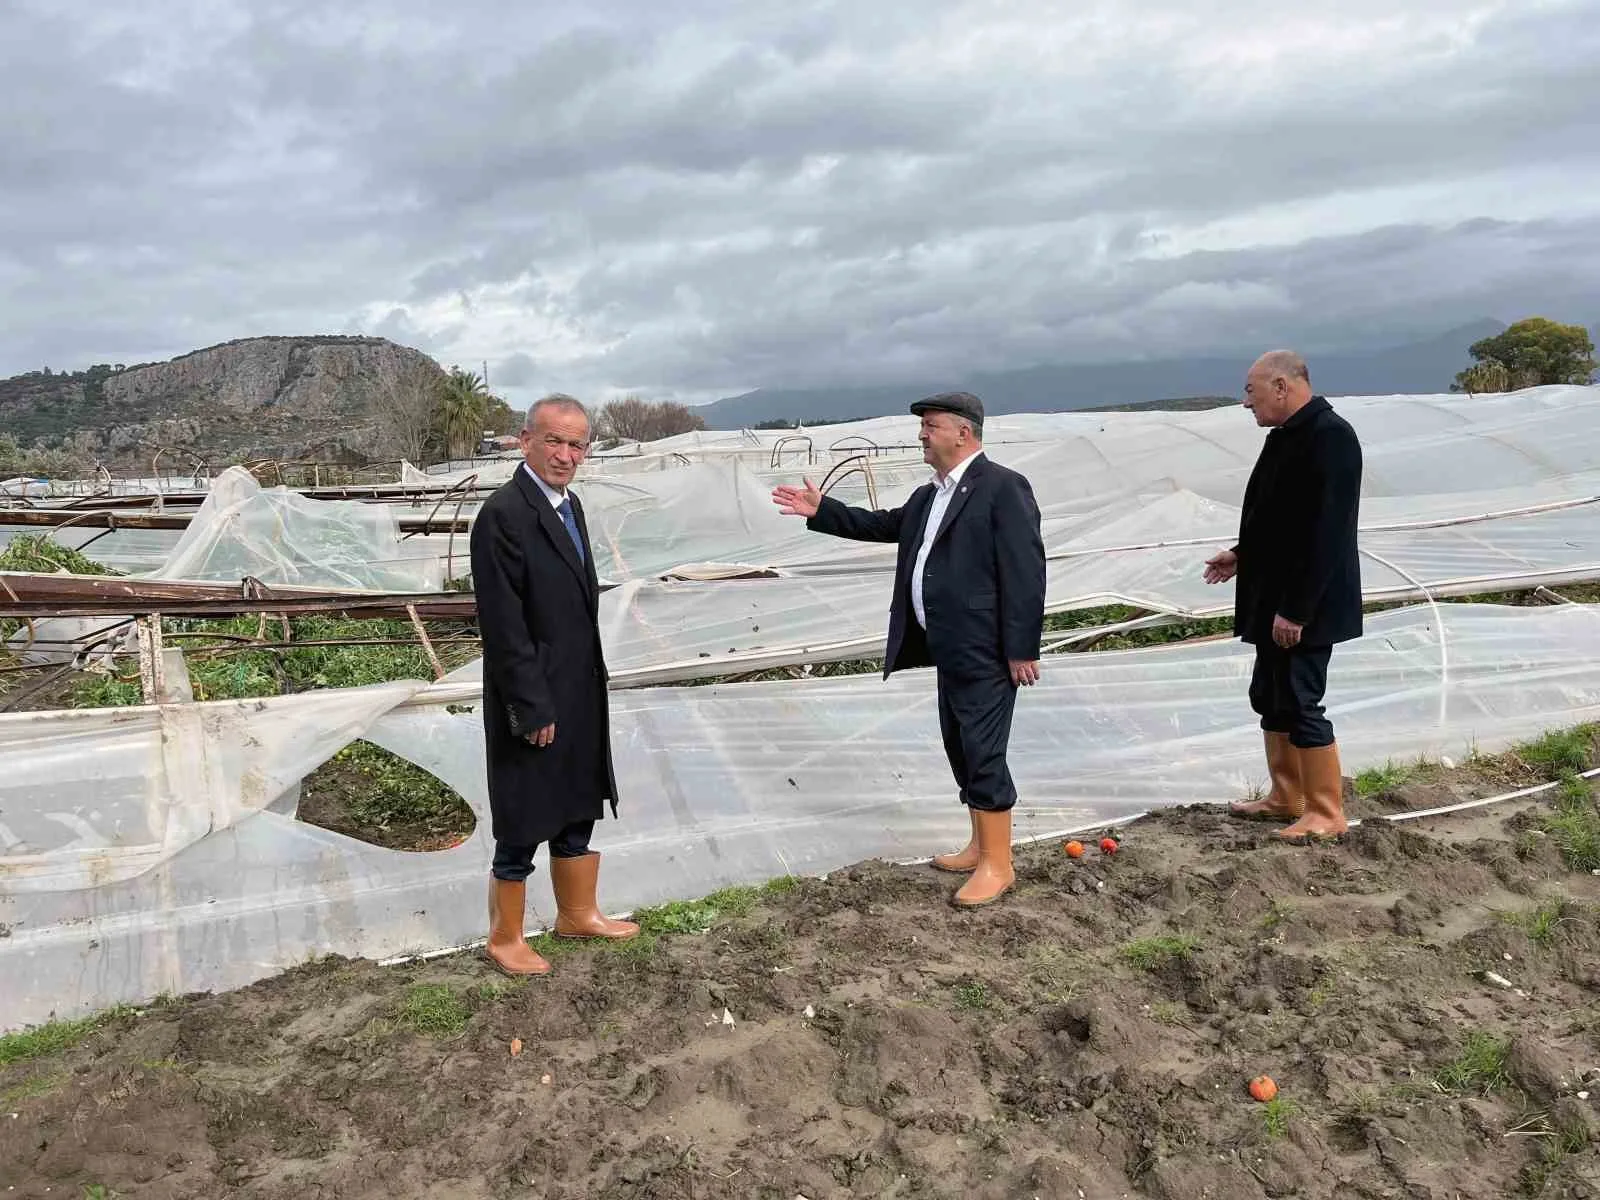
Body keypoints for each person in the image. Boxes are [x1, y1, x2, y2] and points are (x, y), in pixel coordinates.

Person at [772, 392, 1046, 907]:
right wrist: (823, 510)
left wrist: (1021, 647)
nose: (921, 434)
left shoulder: (1002, 487)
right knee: (960, 744)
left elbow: (1026, 569)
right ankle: (979, 846)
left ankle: (999, 864)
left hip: (986, 648)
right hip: (948, 646)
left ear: (963, 433)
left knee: (984, 750)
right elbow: (883, 525)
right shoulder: (929, 496)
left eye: (931, 426)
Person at [470, 393, 638, 976]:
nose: (566, 455)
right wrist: (530, 704)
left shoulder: (571, 506)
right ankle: (505, 937)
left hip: (578, 684)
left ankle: (577, 912)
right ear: (525, 442)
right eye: (553, 441)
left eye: (577, 444)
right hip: (535, 691)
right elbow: (503, 623)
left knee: (575, 800)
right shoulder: (504, 514)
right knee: (525, 812)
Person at [1203, 351, 1363, 841]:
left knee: (1300, 699)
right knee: (1270, 696)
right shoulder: (1285, 438)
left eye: (1250, 391)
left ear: (1281, 386)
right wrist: (1241, 554)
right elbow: (1277, 521)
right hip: (1273, 597)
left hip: (1304, 605)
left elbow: (1327, 534)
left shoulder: (1330, 437)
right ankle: (1286, 796)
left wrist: (1296, 610)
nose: (1245, 402)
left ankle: (1326, 812)